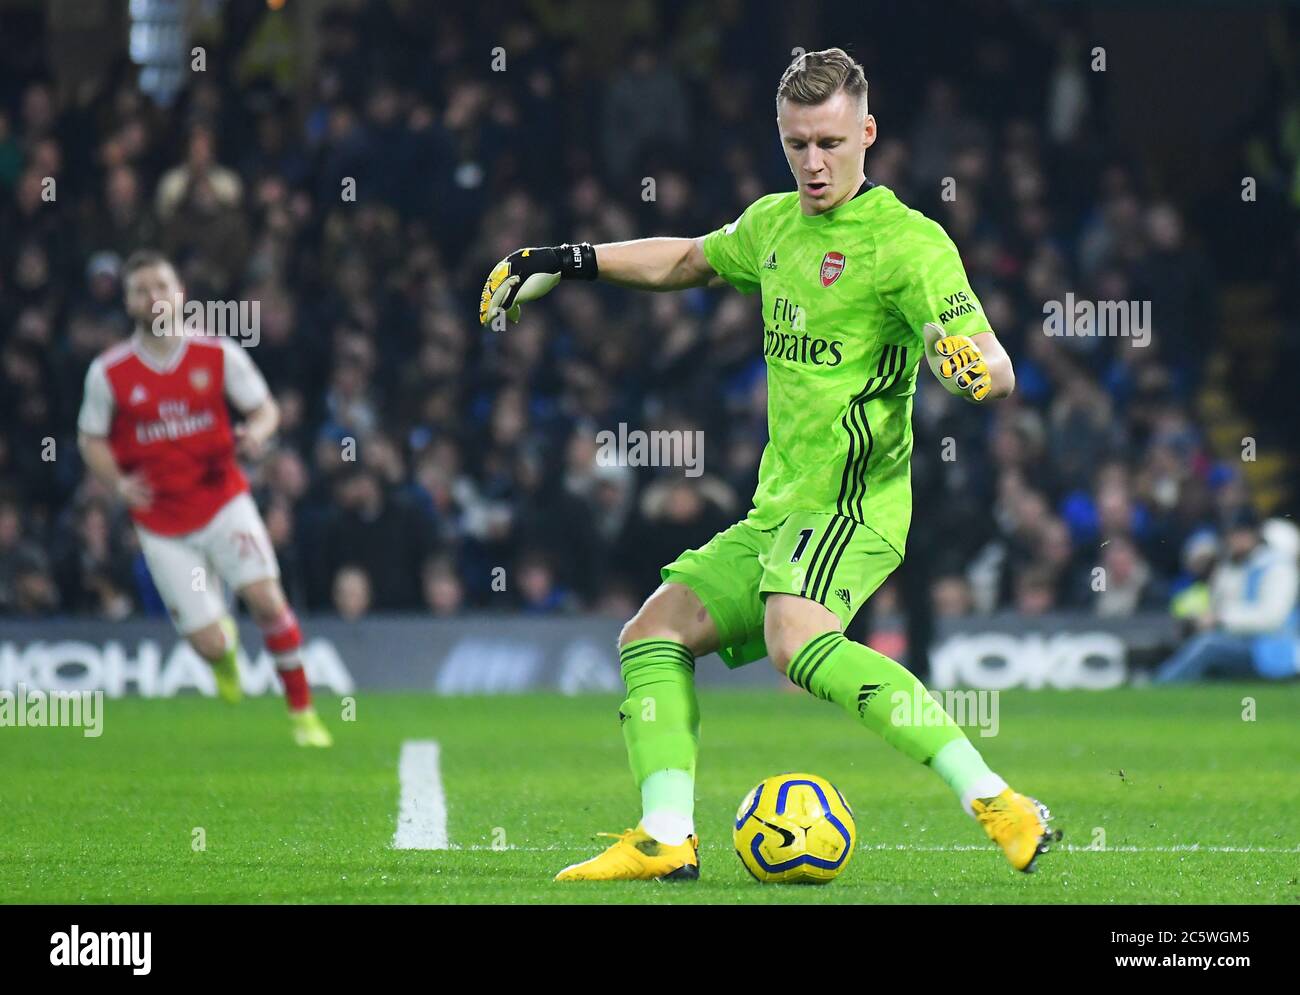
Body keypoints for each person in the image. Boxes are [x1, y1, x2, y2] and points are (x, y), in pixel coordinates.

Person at [479, 49, 1058, 880]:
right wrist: (569, 259)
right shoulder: (774, 225)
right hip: (778, 509)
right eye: (796, 144)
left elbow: (987, 361)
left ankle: (997, 800)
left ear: (867, 133)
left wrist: (973, 372)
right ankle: (666, 835)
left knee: (796, 640)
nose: (813, 163)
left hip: (853, 502)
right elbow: (685, 260)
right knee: (652, 634)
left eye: (828, 142)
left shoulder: (908, 245)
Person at [76, 250, 332, 746]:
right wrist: (117, 483)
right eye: (141, 289)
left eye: (161, 286)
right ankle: (224, 652)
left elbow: (264, 409)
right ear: (128, 302)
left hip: (223, 503)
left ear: (180, 295)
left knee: (266, 598)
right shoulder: (109, 373)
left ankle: (303, 714)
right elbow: (90, 439)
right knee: (210, 643)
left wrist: (257, 435)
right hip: (162, 523)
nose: (153, 297)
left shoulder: (217, 354)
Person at [1154, 508, 1300, 683]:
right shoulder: (1231, 566)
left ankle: (1159, 684)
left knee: (1209, 646)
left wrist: (1220, 619)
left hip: (1271, 650)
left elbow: (1271, 619)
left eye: (1239, 533)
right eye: (1231, 533)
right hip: (1240, 642)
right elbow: (1217, 603)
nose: (1233, 539)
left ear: (1254, 534)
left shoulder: (1277, 567)